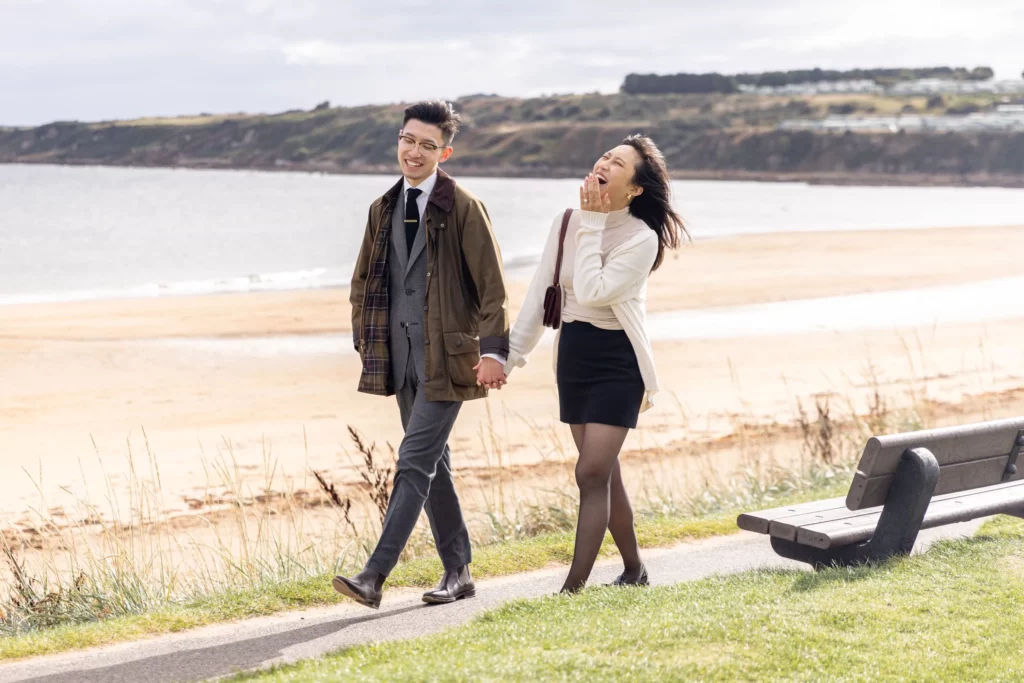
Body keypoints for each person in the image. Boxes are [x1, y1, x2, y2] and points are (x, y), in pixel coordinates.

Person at [336, 100, 509, 609]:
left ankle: (374, 575)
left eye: (427, 145)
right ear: (399, 141)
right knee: (435, 464)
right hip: (400, 358)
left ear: (444, 153)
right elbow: (363, 282)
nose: (414, 152)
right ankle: (459, 571)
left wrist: (495, 353)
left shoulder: (465, 208)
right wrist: (366, 341)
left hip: (449, 360)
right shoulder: (382, 209)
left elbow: (493, 288)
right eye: (407, 140)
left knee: (413, 462)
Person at [504, 135, 686, 593]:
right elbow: (540, 293)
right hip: (574, 356)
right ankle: (634, 569)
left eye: (618, 163)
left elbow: (591, 290)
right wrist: (509, 357)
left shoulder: (641, 239)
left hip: (618, 362)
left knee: (589, 473)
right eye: (605, 155)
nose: (604, 163)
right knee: (604, 474)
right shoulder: (566, 222)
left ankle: (572, 589)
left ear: (635, 189)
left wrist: (591, 224)